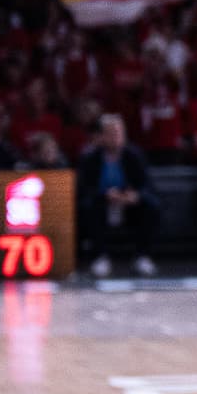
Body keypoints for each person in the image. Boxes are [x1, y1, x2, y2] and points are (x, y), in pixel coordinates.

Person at [76, 114, 156, 278]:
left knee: (151, 205)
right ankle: (100, 257)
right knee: (88, 207)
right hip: (102, 203)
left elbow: (147, 185)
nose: (116, 137)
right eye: (111, 133)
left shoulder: (134, 155)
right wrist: (105, 194)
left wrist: (135, 195)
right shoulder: (90, 157)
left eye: (119, 132)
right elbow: (84, 188)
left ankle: (142, 257)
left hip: (129, 205)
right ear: (101, 136)